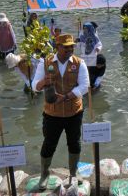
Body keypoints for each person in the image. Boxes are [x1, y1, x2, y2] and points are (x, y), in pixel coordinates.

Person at [32, 34, 89, 190]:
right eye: (66, 47)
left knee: (74, 143)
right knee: (49, 144)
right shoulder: (45, 63)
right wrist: (44, 82)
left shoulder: (79, 63)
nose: (70, 49)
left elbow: (85, 85)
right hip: (52, 114)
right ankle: (44, 174)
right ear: (57, 47)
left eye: (71, 46)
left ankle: (73, 171)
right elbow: (34, 86)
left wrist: (66, 97)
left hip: (74, 112)